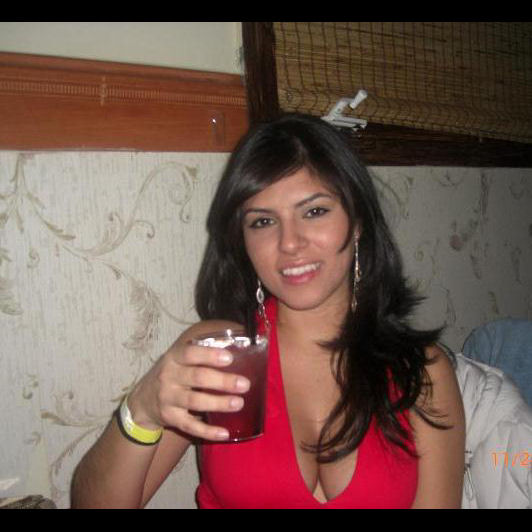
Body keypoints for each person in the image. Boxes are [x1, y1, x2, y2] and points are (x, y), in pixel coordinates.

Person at [70, 113, 465, 509]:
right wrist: (142, 409)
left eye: (314, 211)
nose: (289, 242)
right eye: (262, 221)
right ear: (242, 241)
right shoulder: (219, 355)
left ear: (358, 220)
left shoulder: (422, 372)